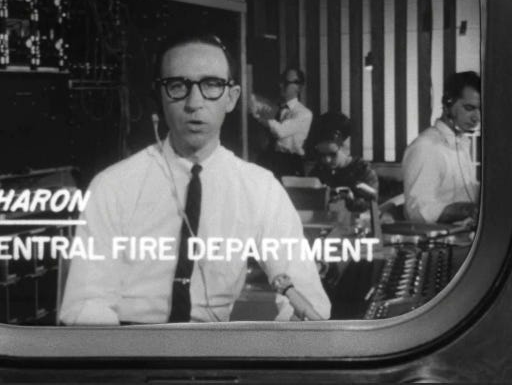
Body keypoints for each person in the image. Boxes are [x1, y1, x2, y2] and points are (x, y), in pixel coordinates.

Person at [59, 33, 330, 325]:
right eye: (178, 86)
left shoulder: (260, 188)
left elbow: (306, 294)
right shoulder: (112, 186)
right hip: (128, 344)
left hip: (215, 347)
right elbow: (85, 305)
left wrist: (290, 333)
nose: (194, 102)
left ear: (232, 97)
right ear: (160, 96)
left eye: (211, 85)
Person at [402, 71, 481, 224]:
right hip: (442, 237)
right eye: (469, 108)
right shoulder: (425, 147)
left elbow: (464, 192)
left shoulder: (461, 143)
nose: (476, 117)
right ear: (448, 103)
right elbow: (418, 212)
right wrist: (468, 210)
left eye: (480, 110)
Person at [306, 112, 379, 214]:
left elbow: (371, 203)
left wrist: (350, 199)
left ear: (345, 146)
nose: (327, 160)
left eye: (332, 154)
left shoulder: (362, 170)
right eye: (321, 155)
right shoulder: (318, 171)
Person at [250, 67, 313, 179]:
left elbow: (281, 131)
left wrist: (260, 118)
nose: (281, 85)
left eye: (286, 82)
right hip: (271, 159)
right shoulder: (275, 108)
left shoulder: (304, 113)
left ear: (299, 87)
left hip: (290, 164)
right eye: (281, 81)